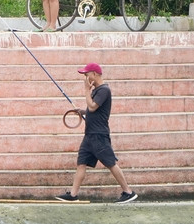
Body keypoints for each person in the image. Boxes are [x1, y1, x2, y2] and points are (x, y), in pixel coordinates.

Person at [55, 62, 138, 203]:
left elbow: (93, 107)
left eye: (86, 74)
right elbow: (92, 110)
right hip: (89, 135)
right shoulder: (96, 91)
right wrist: (82, 111)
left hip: (99, 135)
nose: (85, 78)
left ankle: (128, 192)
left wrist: (86, 90)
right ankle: (73, 195)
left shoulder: (104, 90)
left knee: (110, 163)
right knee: (81, 163)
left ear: (94, 74)